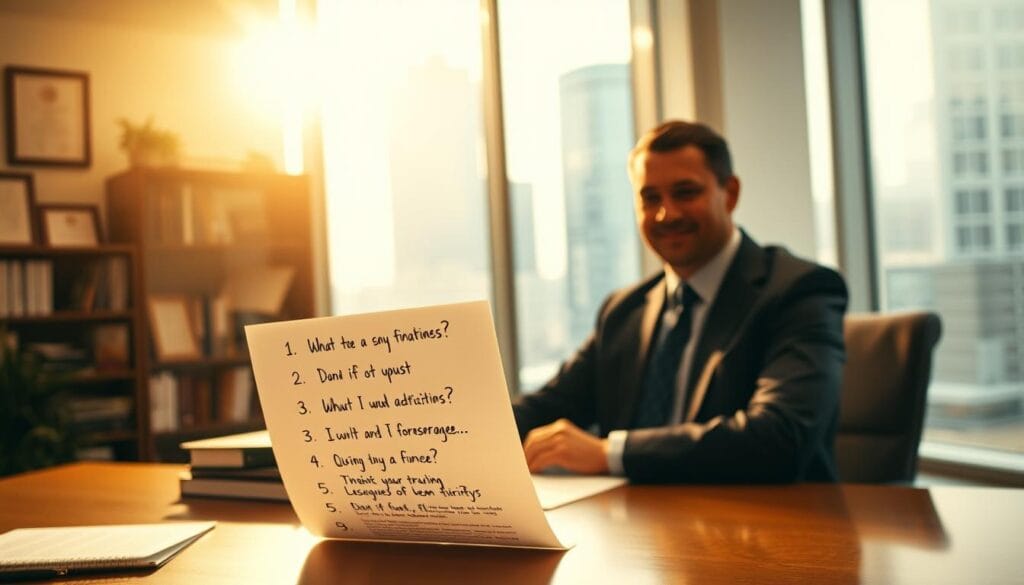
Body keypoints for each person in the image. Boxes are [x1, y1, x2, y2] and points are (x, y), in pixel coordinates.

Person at [512, 120, 848, 483]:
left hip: (761, 514)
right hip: (629, 514)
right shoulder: (624, 310)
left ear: (730, 193)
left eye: (685, 193)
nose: (666, 214)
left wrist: (610, 453)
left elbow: (779, 434)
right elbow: (548, 406)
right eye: (650, 198)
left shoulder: (798, 291)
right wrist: (469, 429)